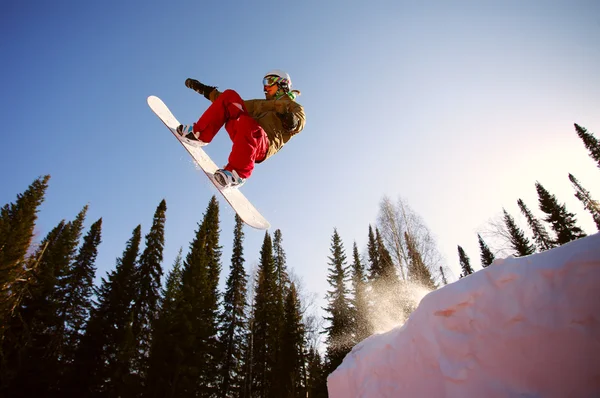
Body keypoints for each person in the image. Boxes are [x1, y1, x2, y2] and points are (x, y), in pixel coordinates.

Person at [177, 70, 306, 188]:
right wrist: (201, 88)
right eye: (263, 83)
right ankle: (199, 134)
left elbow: (299, 123)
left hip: (262, 144)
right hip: (244, 132)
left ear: (283, 84)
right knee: (229, 95)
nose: (265, 87)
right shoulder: (261, 104)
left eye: (269, 82)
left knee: (248, 124)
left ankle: (237, 174)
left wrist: (291, 120)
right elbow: (225, 101)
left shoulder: (293, 107)